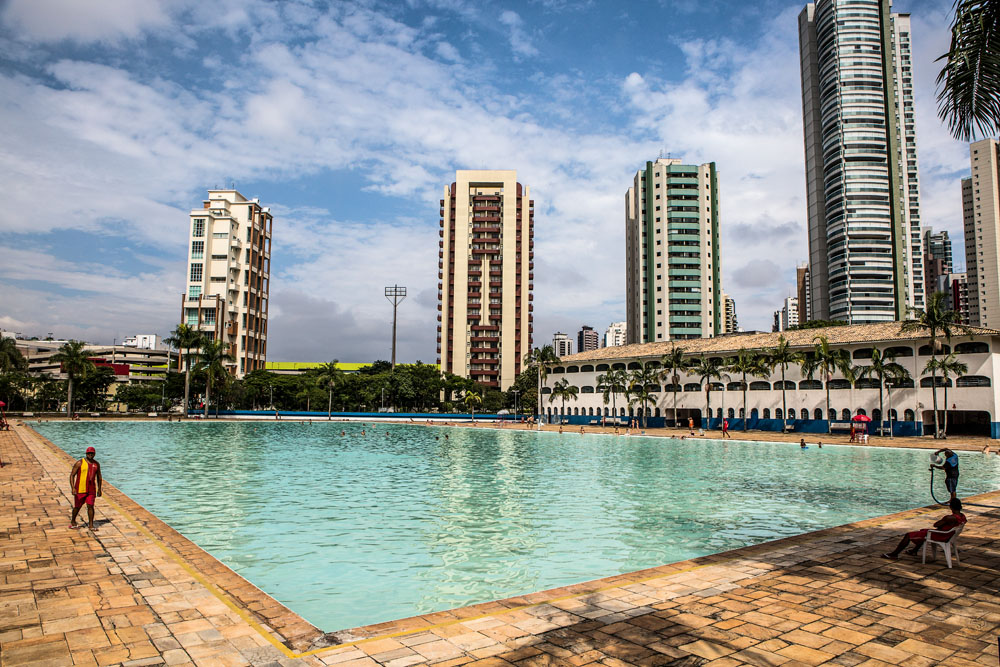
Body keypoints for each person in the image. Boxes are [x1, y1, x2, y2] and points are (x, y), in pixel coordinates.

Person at [882, 498, 966, 560]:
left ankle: (894, 554)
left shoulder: (949, 518)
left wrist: (943, 522)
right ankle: (914, 551)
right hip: (948, 535)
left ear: (951, 507)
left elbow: (936, 525)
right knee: (922, 531)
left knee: (908, 535)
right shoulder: (962, 516)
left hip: (941, 536)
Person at [69, 446, 102, 531]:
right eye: (89, 453)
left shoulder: (96, 464)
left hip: (91, 489)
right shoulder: (79, 463)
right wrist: (73, 488)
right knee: (77, 506)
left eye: (92, 453)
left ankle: (91, 525)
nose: (90, 455)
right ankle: (73, 521)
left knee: (90, 505)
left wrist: (99, 489)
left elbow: (99, 477)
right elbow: (72, 475)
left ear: (94, 454)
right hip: (80, 489)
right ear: (86, 454)